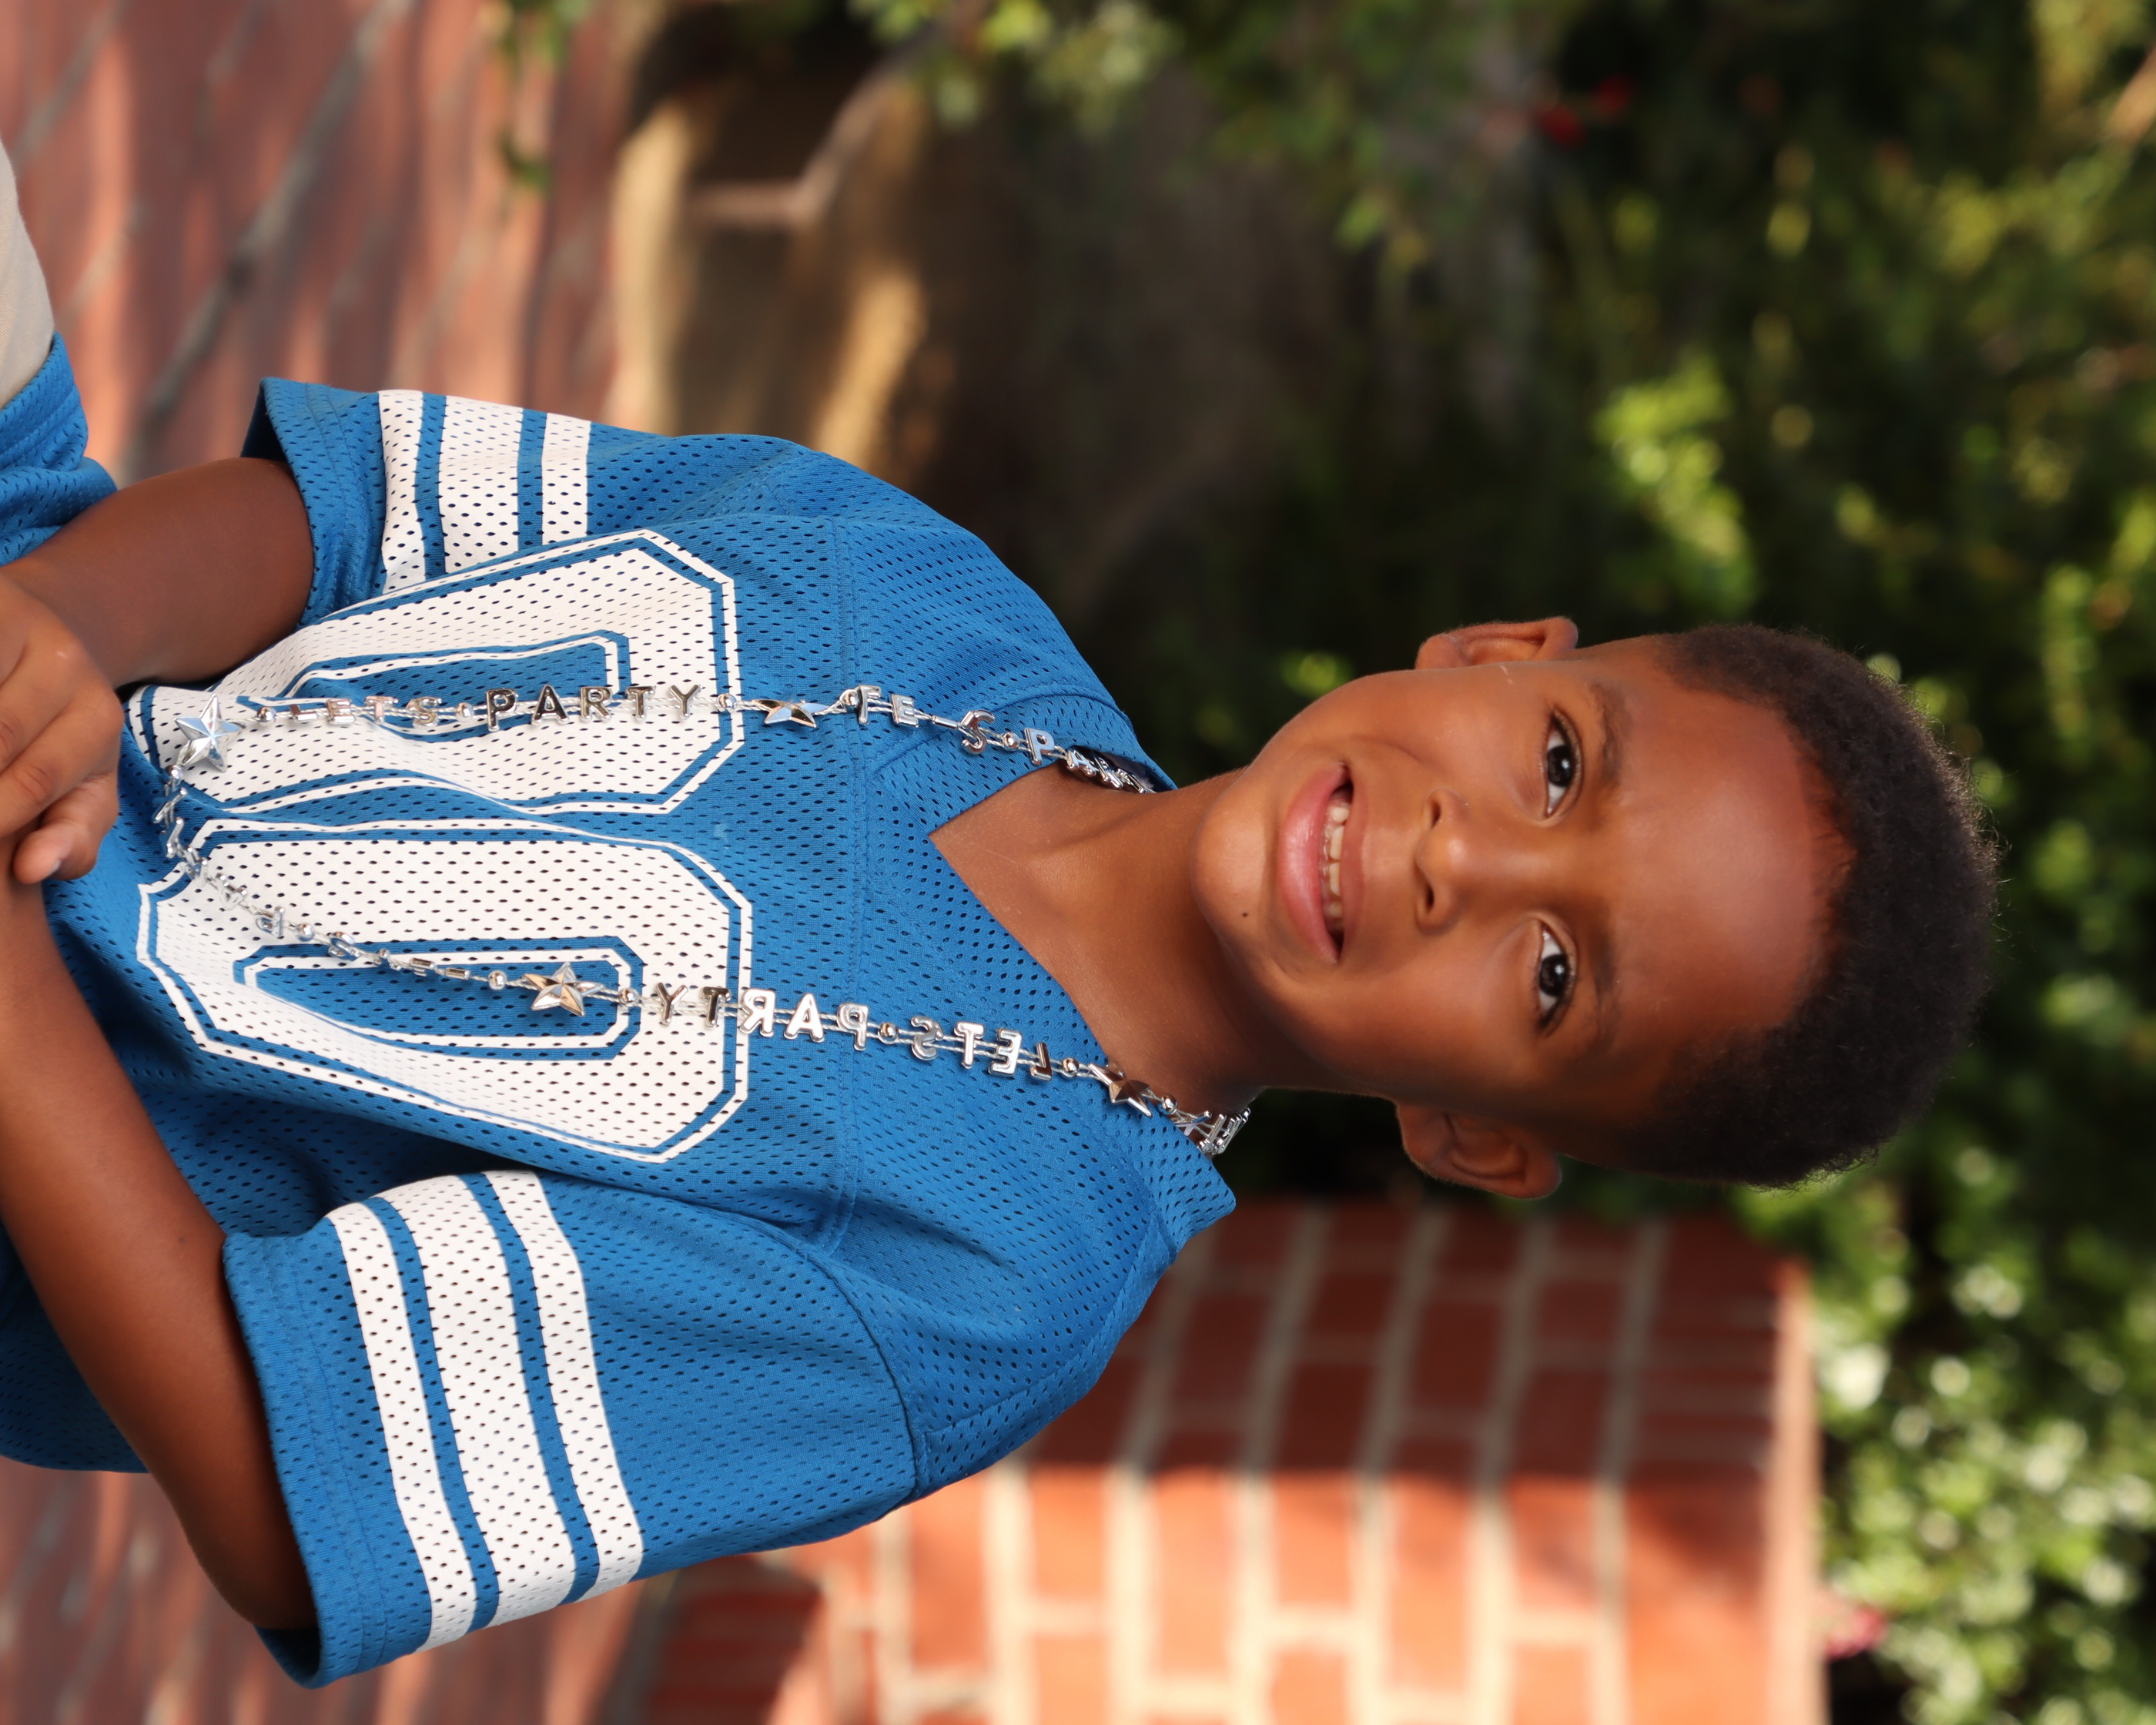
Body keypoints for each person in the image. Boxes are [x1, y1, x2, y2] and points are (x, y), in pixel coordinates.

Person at [0, 149, 1993, 1685]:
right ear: (1493, 652)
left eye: (1553, 978)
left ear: (1476, 1137)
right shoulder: (921, 588)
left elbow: (274, 1475)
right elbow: (340, 519)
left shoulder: (970, 1299)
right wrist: (62, 637)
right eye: (1558, 764)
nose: (1461, 862)